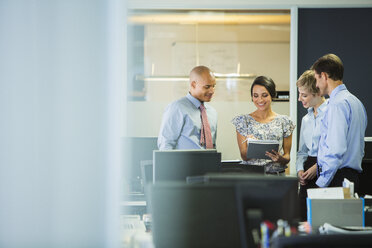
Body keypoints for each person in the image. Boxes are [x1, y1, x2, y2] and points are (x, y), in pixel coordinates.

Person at [312, 54, 367, 189]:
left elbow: (335, 149)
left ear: (324, 76)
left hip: (336, 178)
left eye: (316, 79)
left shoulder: (337, 104)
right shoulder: (356, 102)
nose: (316, 85)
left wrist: (322, 183)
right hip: (351, 177)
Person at [231, 76, 295, 175]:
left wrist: (280, 158)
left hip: (276, 177)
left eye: (264, 95)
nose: (260, 100)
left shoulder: (285, 121)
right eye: (255, 96)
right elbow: (244, 156)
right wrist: (252, 146)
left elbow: (287, 157)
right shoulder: (243, 121)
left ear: (272, 95)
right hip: (252, 177)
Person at [157, 65, 217, 150]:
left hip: (209, 162)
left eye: (213, 86)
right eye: (207, 87)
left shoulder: (212, 112)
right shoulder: (177, 108)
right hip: (184, 162)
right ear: (193, 84)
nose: (212, 91)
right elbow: (166, 145)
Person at [296, 70, 327, 221]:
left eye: (304, 95)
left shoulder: (331, 113)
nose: (299, 98)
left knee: (322, 218)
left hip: (326, 168)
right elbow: (302, 152)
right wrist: (299, 170)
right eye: (299, 94)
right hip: (307, 170)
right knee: (303, 217)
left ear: (317, 92)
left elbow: (335, 149)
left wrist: (318, 167)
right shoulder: (305, 119)